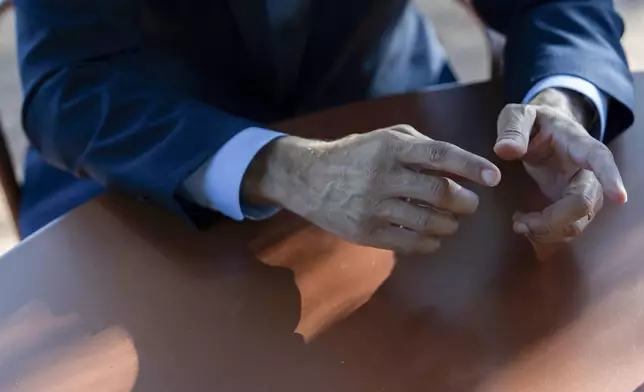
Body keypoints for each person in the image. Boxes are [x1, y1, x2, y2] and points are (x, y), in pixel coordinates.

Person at [14, 0, 633, 253]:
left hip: (406, 127)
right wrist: (279, 164)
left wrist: (562, 100)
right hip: (138, 173)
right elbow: (66, 84)